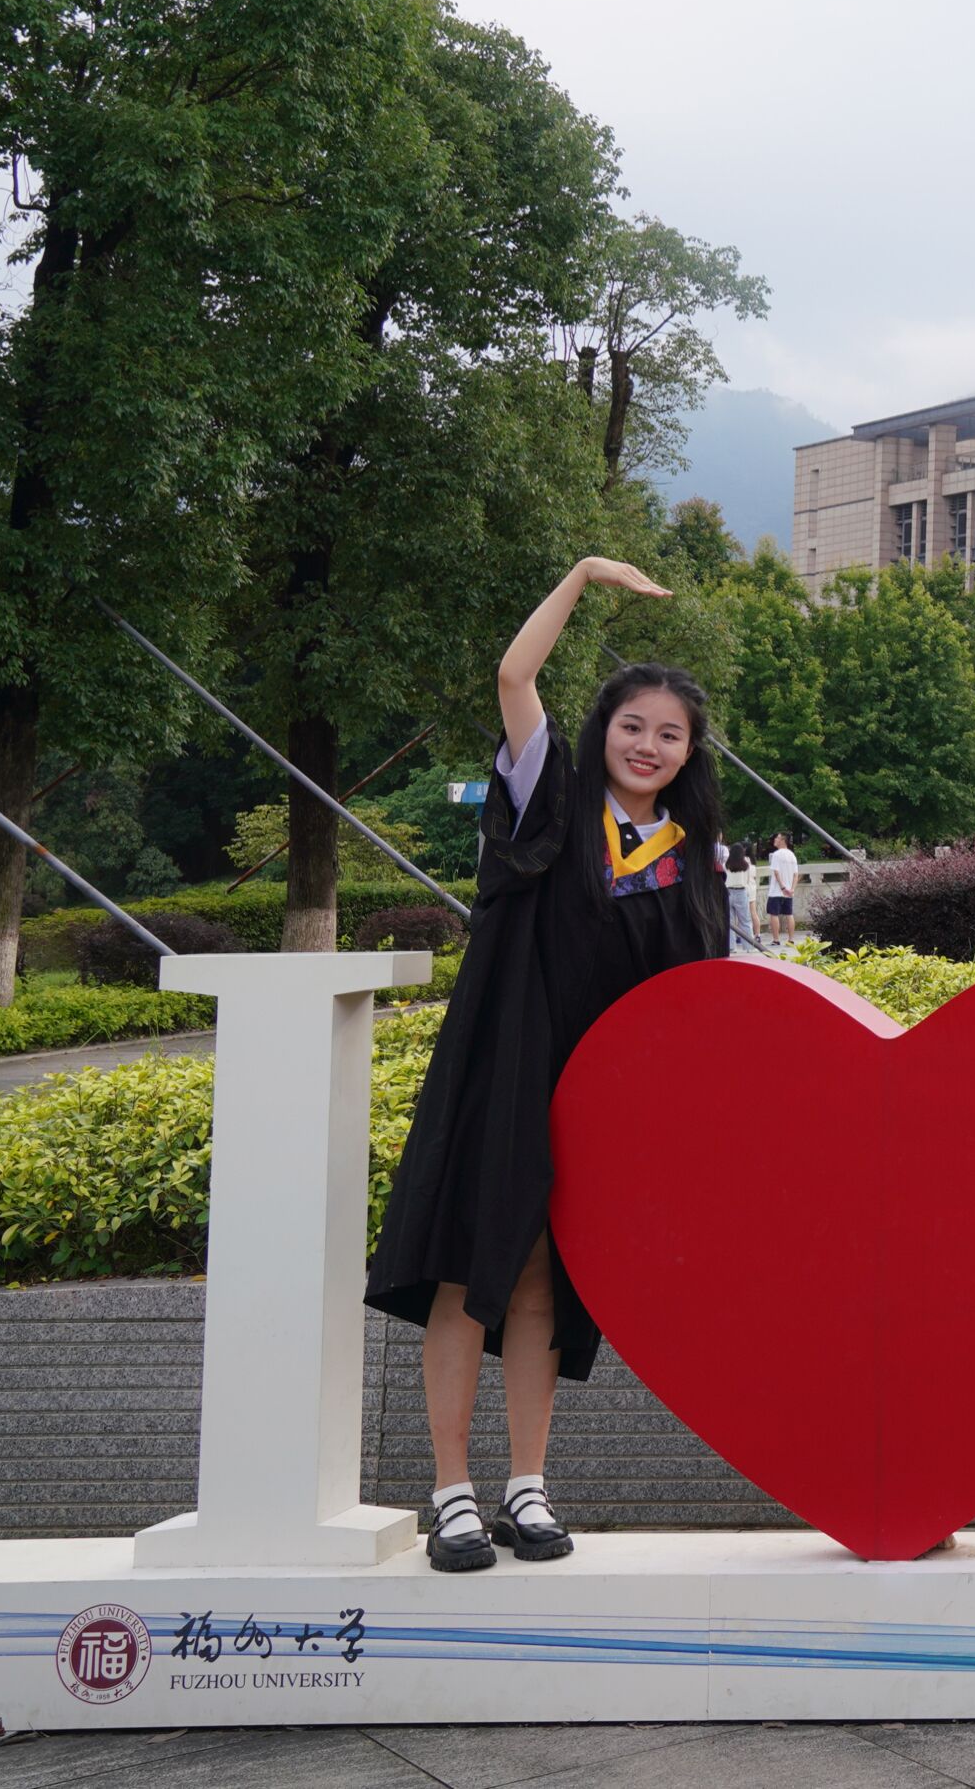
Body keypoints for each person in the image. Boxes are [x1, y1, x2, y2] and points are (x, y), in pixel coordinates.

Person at [366, 554, 727, 1573]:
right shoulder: (548, 802)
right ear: (602, 729)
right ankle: (451, 1491)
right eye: (632, 725)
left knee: (541, 1287)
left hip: (596, 1100)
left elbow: (695, 1007)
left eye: (669, 733)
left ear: (688, 751)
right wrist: (581, 575)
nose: (647, 745)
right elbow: (515, 676)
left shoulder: (688, 857)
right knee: (466, 1268)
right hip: (507, 1070)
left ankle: (526, 1483)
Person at [763, 832, 801, 950]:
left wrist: (782, 887)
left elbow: (776, 872)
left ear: (783, 840)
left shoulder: (776, 854)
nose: (775, 839)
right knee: (789, 914)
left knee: (774, 914)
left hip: (776, 891)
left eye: (778, 838)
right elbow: (796, 875)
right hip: (789, 891)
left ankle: (776, 939)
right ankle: (791, 939)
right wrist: (792, 889)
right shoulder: (792, 855)